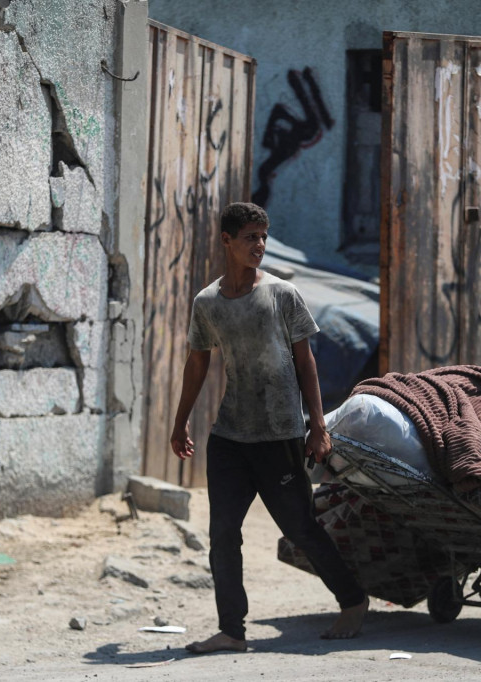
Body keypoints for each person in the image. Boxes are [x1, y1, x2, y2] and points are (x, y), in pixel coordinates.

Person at [170, 202, 369, 654]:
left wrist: (317, 426)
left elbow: (306, 363)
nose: (259, 245)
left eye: (264, 237)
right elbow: (197, 364)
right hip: (229, 438)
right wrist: (181, 421)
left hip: (279, 434)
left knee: (300, 527)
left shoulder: (282, 294)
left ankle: (353, 601)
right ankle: (232, 630)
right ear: (227, 240)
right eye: (250, 237)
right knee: (222, 532)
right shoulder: (208, 303)